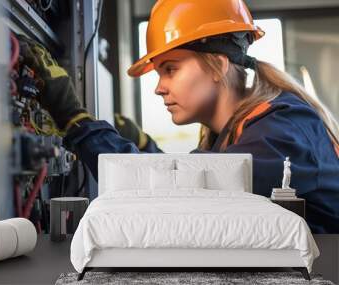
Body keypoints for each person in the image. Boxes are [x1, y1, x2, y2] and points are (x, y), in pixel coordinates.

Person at [17, 0, 339, 234]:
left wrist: (77, 122)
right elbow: (192, 178)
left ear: (218, 64)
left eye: (170, 69)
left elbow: (185, 194)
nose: (159, 88)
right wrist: (144, 145)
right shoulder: (237, 132)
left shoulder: (281, 130)